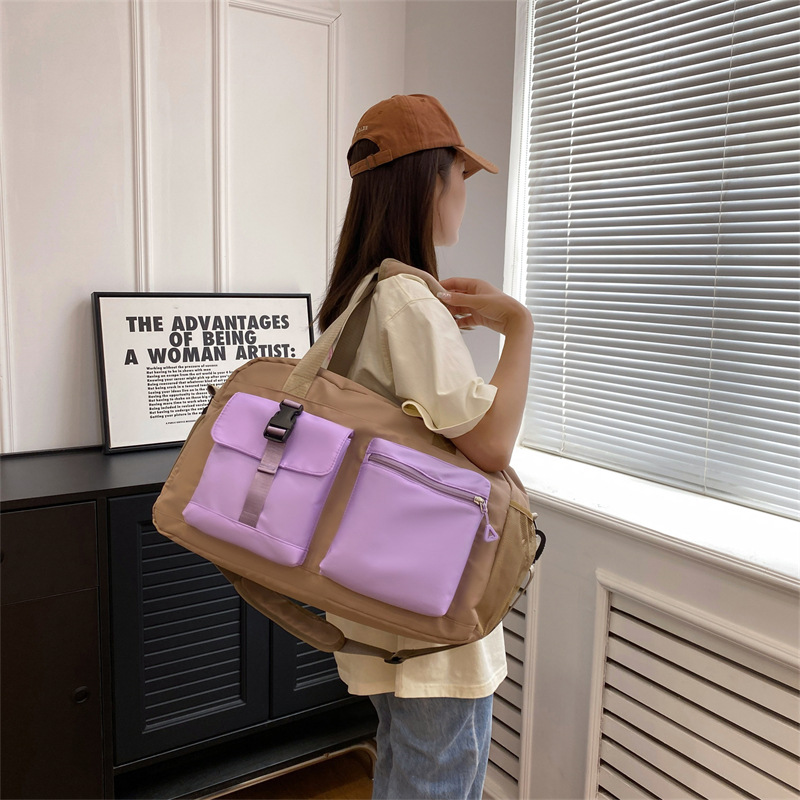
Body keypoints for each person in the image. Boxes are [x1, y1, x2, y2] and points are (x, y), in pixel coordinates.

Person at [317, 94, 533, 800]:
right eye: (460, 175)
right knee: (437, 779)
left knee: (406, 768)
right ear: (429, 181)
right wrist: (518, 328)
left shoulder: (362, 293)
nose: (464, 192)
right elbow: (491, 446)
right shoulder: (407, 301)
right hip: (429, 600)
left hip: (380, 586)